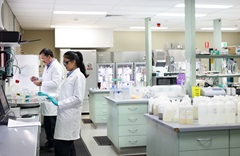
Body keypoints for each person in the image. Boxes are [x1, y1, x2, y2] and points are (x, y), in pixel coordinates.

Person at [47, 51, 87, 156]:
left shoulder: (78, 76)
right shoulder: (70, 75)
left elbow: (78, 98)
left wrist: (59, 103)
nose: (64, 65)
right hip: (65, 115)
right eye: (64, 63)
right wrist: (53, 97)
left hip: (69, 117)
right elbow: (65, 93)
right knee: (68, 147)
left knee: (61, 147)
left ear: (73, 62)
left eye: (66, 62)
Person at [30, 48, 64, 152]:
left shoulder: (57, 67)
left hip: (53, 99)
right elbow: (47, 80)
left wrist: (41, 83)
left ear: (49, 56)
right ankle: (49, 142)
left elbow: (56, 83)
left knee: (52, 124)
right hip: (47, 98)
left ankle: (54, 144)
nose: (42, 61)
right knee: (48, 125)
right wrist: (38, 79)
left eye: (43, 59)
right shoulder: (48, 66)